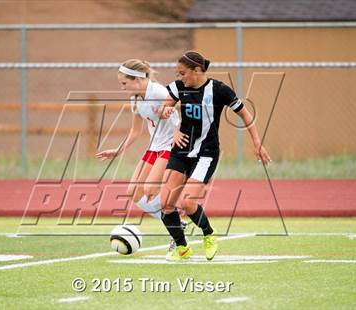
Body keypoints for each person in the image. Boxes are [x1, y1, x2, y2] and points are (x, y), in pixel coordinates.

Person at [158, 51, 271, 261]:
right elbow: (164, 109)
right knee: (165, 203)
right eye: (178, 73)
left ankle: (208, 234)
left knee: (188, 203)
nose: (180, 77)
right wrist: (169, 119)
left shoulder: (219, 90)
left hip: (206, 153)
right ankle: (182, 247)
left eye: (183, 73)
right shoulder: (177, 88)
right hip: (181, 151)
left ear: (197, 70)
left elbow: (245, 114)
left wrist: (257, 142)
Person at [95, 59, 186, 257]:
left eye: (124, 83)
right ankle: (177, 222)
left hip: (171, 144)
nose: (122, 88)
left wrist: (178, 130)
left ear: (137, 79)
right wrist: (118, 150)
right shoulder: (135, 99)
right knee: (134, 193)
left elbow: (182, 111)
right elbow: (135, 131)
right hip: (154, 146)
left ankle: (176, 230)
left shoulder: (160, 92)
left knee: (150, 189)